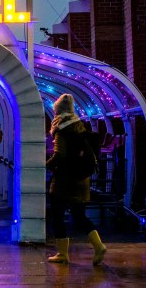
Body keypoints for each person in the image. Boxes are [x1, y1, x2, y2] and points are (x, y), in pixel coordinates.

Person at [45, 93, 106, 265]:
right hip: (82, 178)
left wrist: (46, 165)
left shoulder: (62, 130)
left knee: (57, 214)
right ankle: (98, 245)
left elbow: (60, 155)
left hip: (65, 180)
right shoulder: (80, 128)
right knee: (79, 215)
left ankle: (63, 253)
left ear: (57, 112)